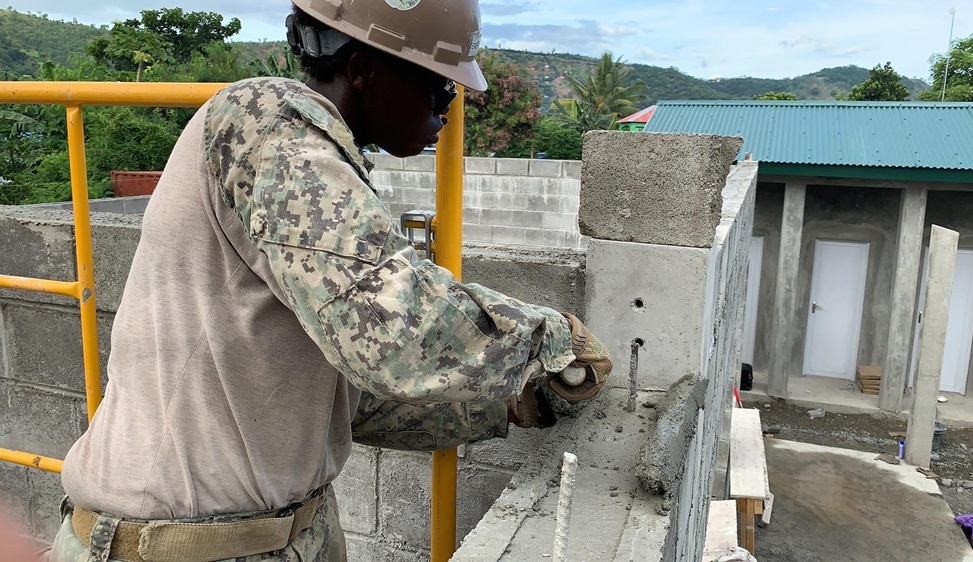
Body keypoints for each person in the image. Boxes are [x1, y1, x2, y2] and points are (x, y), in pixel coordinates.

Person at [48, 0, 611, 560]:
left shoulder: (312, 168)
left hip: (282, 533)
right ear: (365, 69)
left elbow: (346, 401)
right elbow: (392, 332)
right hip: (174, 546)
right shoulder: (265, 121)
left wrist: (507, 403)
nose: (450, 107)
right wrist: (550, 339)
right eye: (440, 86)